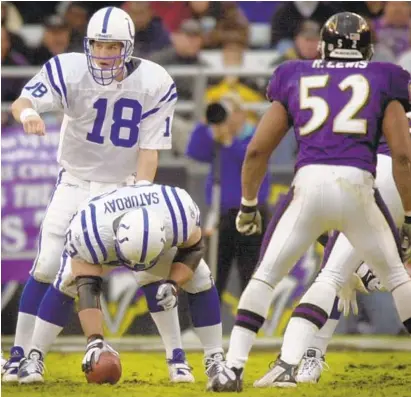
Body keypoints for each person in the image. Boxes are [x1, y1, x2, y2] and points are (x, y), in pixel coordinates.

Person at [209, 12, 411, 391]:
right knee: (392, 277)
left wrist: (249, 204)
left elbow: (256, 151)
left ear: (322, 45)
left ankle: (236, 368)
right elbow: (403, 156)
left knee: (271, 276)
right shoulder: (387, 78)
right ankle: (303, 357)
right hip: (362, 184)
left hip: (311, 182)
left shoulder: (294, 74)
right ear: (367, 49)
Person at [3, 6, 176, 383]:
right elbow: (22, 100)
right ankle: (17, 356)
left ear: (128, 48)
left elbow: (150, 148)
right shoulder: (70, 69)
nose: (103, 53)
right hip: (76, 181)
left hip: (120, 190)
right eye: (98, 44)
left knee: (97, 272)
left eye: (113, 46)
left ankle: (177, 358)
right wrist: (28, 115)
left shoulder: (154, 81)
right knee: (47, 264)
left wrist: (143, 193)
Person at [17, 183, 224, 387]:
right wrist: (94, 340)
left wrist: (173, 283)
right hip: (106, 241)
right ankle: (35, 356)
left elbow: (194, 248)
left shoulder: (177, 210)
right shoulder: (91, 229)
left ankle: (215, 358)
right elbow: (87, 285)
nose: (138, 268)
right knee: (67, 283)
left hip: (155, 247)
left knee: (201, 277)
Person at [295, 113, 411, 384]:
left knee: (333, 274)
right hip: (378, 187)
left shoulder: (377, 112)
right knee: (338, 274)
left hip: (379, 187)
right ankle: (313, 352)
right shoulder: (381, 113)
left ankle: (310, 354)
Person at [186, 94, 270, 300]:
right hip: (222, 214)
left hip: (250, 213)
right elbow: (194, 152)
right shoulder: (217, 140)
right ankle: (207, 322)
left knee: (249, 271)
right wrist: (205, 123)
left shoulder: (254, 136)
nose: (226, 119)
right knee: (214, 270)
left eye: (228, 113)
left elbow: (249, 161)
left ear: (241, 114)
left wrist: (228, 141)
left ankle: (250, 322)